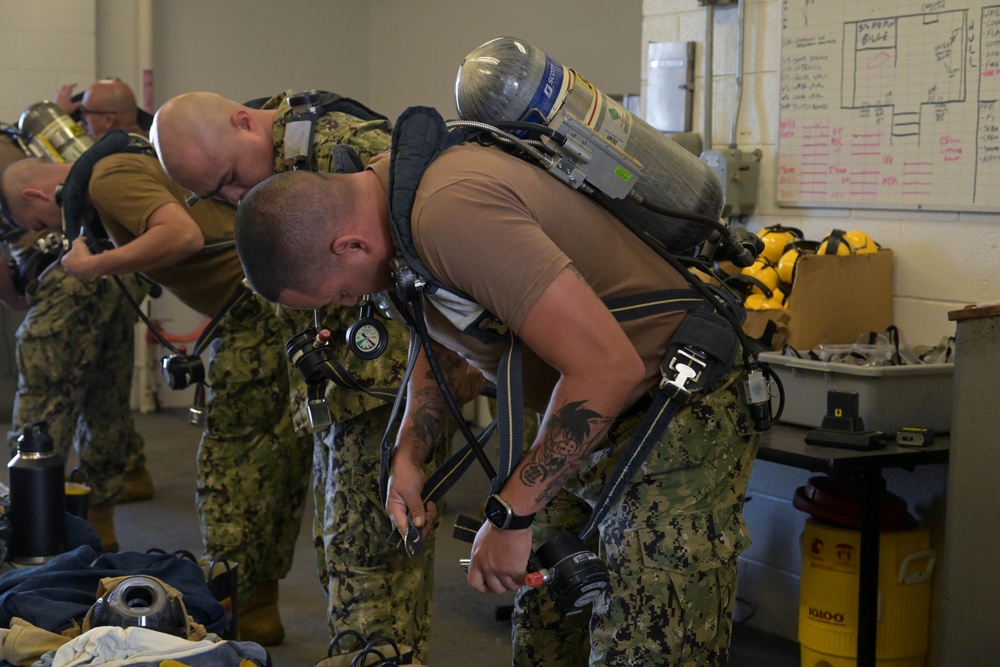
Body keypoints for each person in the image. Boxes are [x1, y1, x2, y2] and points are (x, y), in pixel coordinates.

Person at [232, 132, 762, 666]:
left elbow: (608, 366)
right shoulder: (388, 210)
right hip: (581, 414)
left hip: (673, 411)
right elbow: (447, 350)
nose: (355, 301)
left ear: (349, 246)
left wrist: (512, 516)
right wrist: (410, 457)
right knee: (546, 635)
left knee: (644, 646)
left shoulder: (450, 212)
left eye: (342, 294)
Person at [150, 91, 443, 660]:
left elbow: (437, 275)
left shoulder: (351, 150)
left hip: (388, 391)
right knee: (338, 545)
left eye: (232, 177)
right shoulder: (282, 161)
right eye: (215, 195)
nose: (236, 198)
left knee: (372, 555)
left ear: (243, 122)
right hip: (339, 388)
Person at [0, 134, 313, 646]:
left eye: (39, 224)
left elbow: (182, 236)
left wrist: (91, 264)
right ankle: (258, 608)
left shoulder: (106, 177)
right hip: (265, 301)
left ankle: (226, 612)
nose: (49, 233)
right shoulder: (115, 172)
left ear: (39, 197)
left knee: (230, 468)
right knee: (276, 460)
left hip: (251, 308)